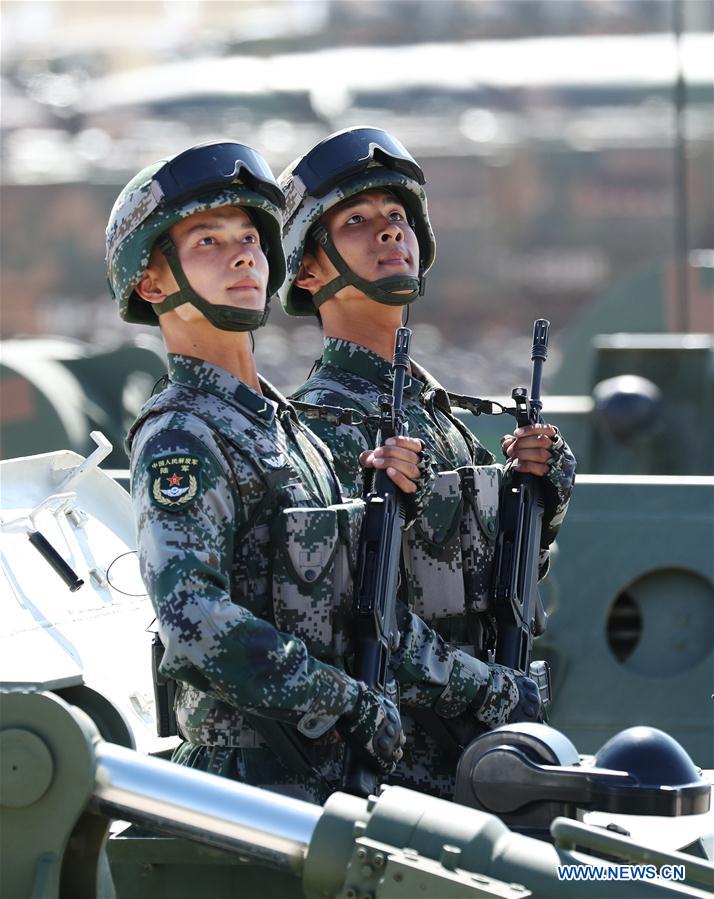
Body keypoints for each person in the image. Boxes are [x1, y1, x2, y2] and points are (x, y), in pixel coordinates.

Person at [105, 140, 425, 802]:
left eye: (250, 235)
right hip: (249, 792)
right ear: (152, 281)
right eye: (209, 242)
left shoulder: (284, 425)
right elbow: (194, 621)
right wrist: (340, 696)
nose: (244, 253)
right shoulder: (182, 437)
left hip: (326, 777)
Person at [279, 127, 576, 798]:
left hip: (467, 764)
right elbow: (346, 619)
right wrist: (495, 692)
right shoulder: (322, 427)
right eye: (355, 221)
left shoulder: (439, 416)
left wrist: (543, 499)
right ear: (308, 269)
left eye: (397, 217)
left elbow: (494, 585)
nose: (389, 232)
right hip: (395, 778)